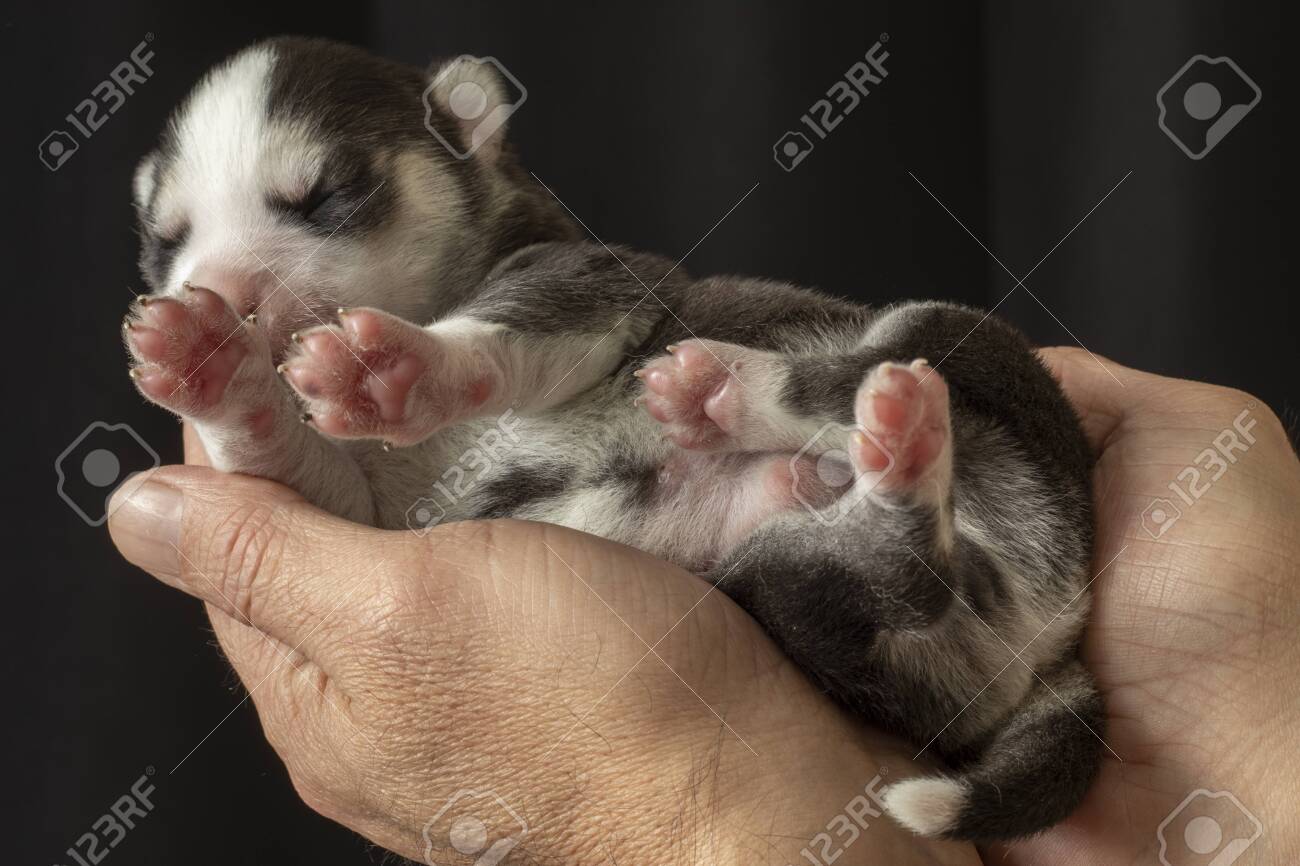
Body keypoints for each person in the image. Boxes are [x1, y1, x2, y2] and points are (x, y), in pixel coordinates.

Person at [108, 347, 1300, 865]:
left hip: (953, 562)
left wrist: (689, 811)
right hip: (910, 618)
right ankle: (887, 523)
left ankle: (886, 516)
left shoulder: (544, 300)